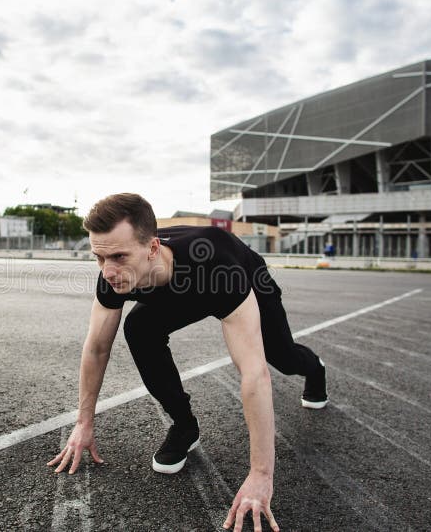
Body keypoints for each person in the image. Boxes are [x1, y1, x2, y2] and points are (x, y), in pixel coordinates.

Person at [48, 193, 327, 532]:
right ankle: (184, 425)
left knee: (280, 356)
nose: (107, 271)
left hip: (238, 279)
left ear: (152, 248)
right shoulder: (113, 274)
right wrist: (84, 422)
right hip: (175, 286)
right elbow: (96, 349)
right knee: (139, 328)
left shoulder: (218, 267)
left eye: (119, 256)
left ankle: (316, 369)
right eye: (98, 257)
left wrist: (260, 475)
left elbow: (254, 373)